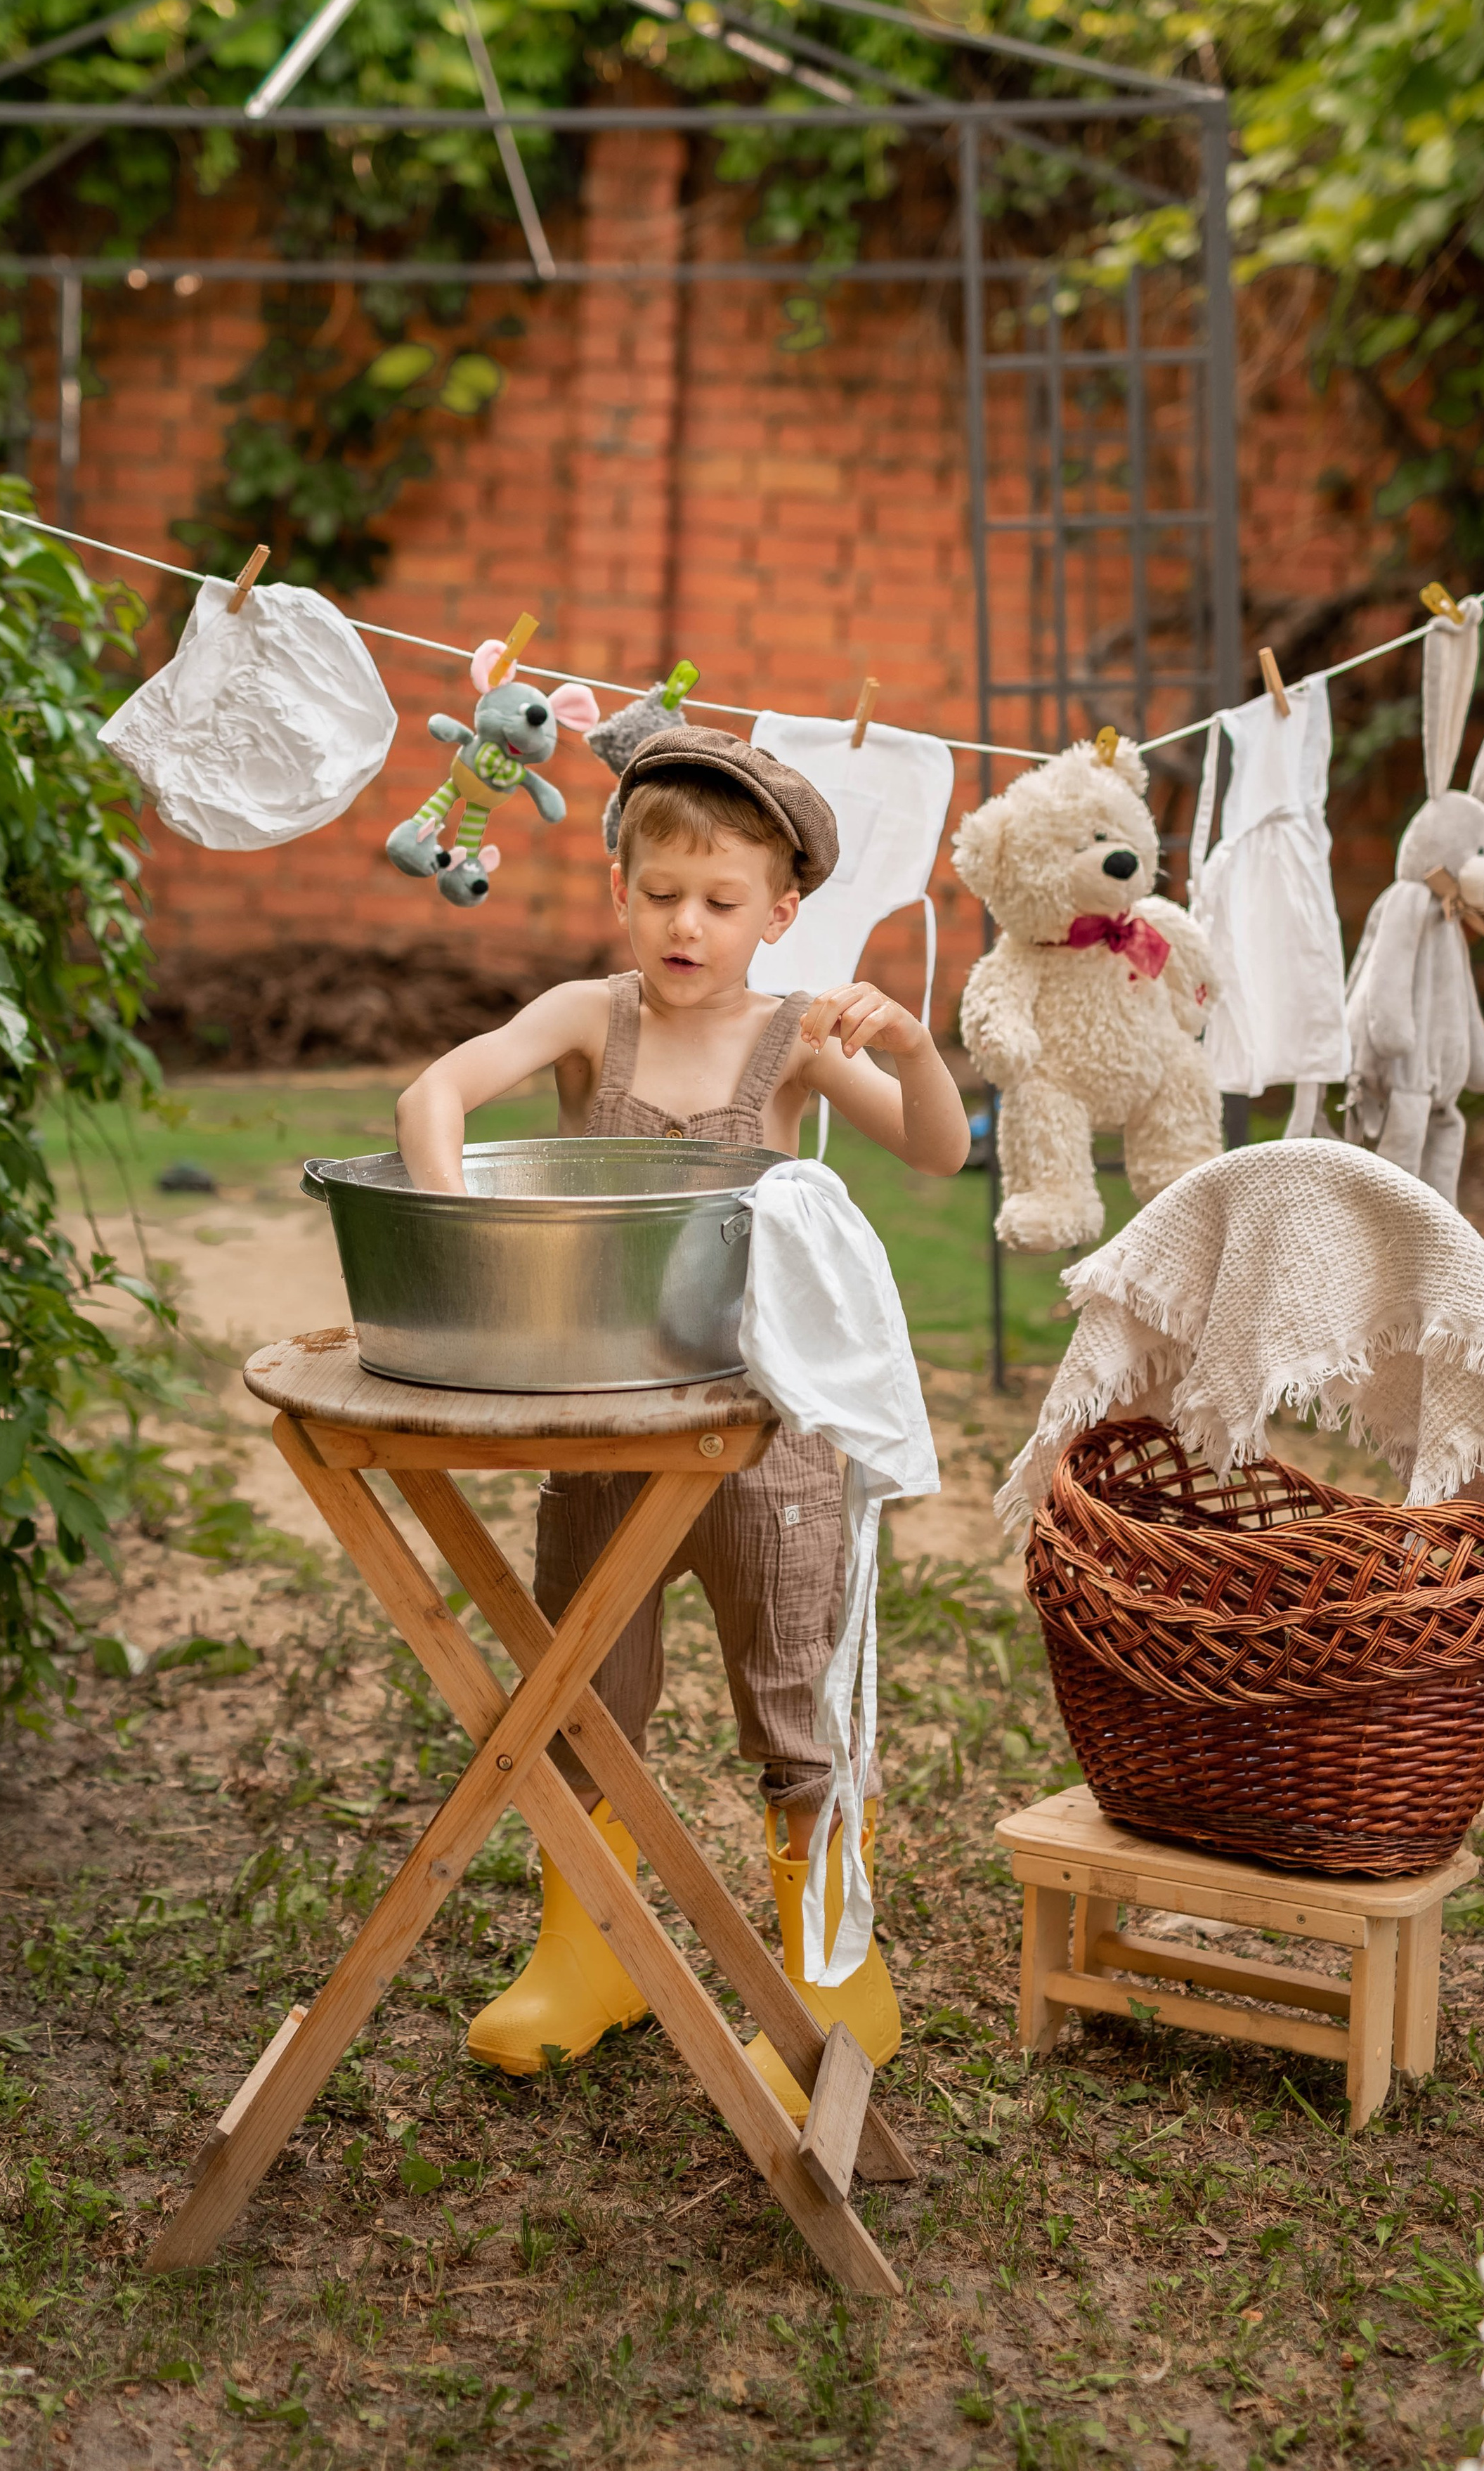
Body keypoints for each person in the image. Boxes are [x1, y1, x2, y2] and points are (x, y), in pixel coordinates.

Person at [395, 728, 970, 2110]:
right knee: (588, 1693)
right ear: (618, 889)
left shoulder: (791, 1044)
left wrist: (909, 1042)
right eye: (660, 895)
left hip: (764, 1445)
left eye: (720, 904)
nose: (685, 925)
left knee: (792, 1696)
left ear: (781, 914)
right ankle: (584, 1954)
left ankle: (832, 1975)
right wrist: (454, 1227)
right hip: (599, 1433)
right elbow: (434, 1093)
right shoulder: (591, 1019)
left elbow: (938, 1150)